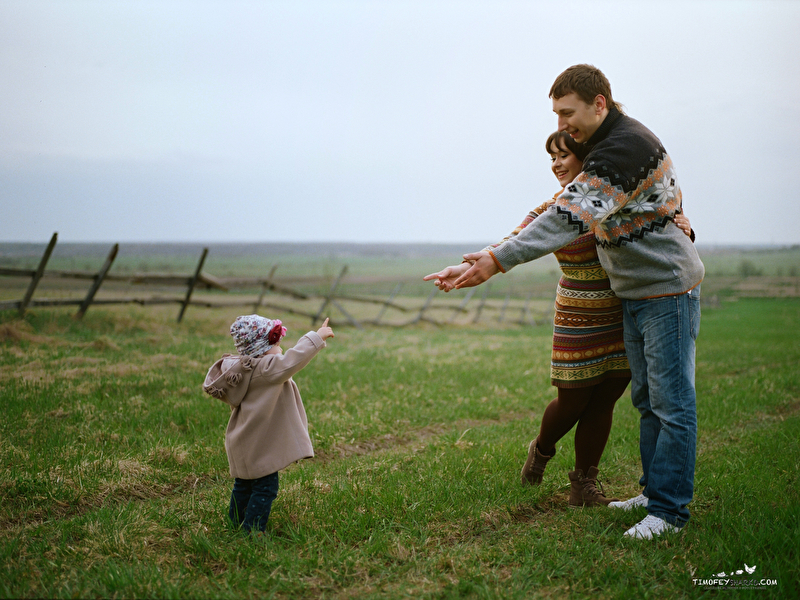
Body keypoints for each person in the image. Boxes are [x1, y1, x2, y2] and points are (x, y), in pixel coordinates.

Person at [425, 64, 704, 540]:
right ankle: (653, 492)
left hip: (666, 291)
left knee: (672, 404)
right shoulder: (610, 146)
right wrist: (490, 255)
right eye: (557, 114)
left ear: (599, 104)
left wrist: (496, 261)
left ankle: (669, 512)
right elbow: (662, 195)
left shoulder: (621, 148)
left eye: (568, 113)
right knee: (647, 400)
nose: (562, 125)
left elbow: (566, 217)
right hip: (635, 292)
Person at [203, 314, 335, 534]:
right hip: (261, 446)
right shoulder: (265, 369)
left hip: (243, 441)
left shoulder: (243, 369)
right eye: (276, 343)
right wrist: (317, 337)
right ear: (262, 349)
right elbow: (293, 359)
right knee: (265, 488)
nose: (281, 347)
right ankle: (253, 531)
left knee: (244, 485)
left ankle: (235, 523)